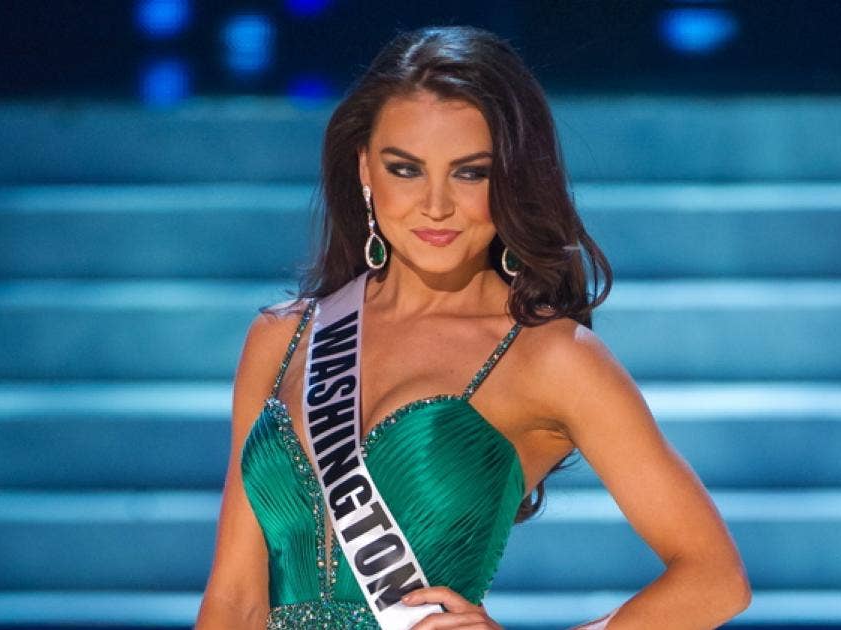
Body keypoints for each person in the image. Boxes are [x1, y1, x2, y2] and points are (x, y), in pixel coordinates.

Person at [195, 25, 750, 630]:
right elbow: (234, 599)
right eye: (405, 169)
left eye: (470, 173)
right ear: (364, 169)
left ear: (511, 178)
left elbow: (715, 580)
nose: (436, 206)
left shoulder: (552, 356)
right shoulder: (282, 339)